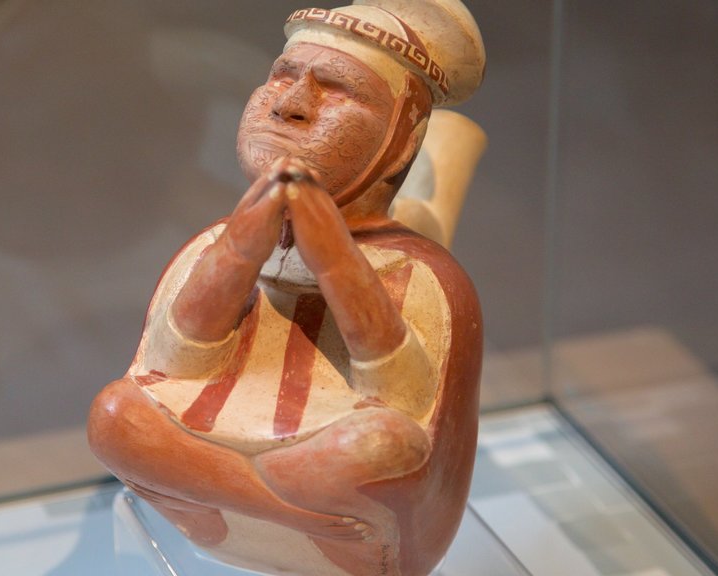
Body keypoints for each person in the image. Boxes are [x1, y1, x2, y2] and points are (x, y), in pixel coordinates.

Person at [89, 2, 485, 574]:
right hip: (303, 500)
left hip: (311, 466)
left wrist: (332, 254)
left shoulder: (421, 271)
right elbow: (171, 365)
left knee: (380, 449)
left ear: (403, 140)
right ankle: (273, 509)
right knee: (115, 413)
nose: (290, 104)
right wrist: (240, 250)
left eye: (337, 89)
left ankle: (223, 494)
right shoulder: (214, 242)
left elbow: (403, 405)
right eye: (281, 75)